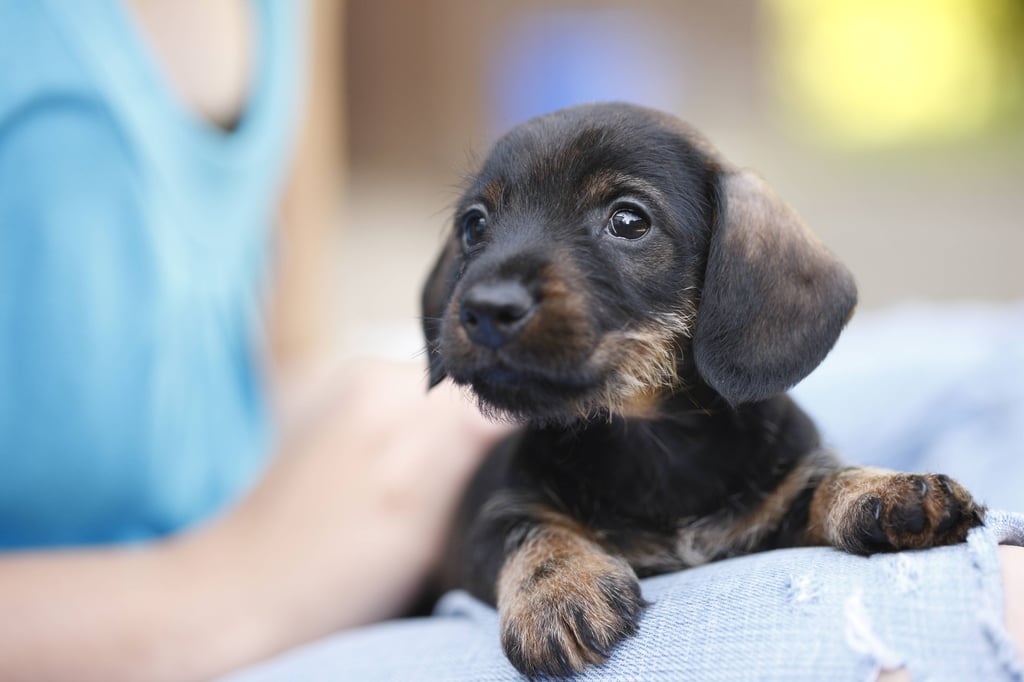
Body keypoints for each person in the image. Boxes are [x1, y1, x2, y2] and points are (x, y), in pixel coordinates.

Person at [0, 2, 1021, 681]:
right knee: (971, 609)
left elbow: (274, 351)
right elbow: (501, 521)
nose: (489, 285)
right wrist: (221, 587)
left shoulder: (283, 14)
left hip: (311, 451)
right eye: (478, 230)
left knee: (994, 368)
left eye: (625, 221)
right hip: (153, 612)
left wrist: (836, 495)